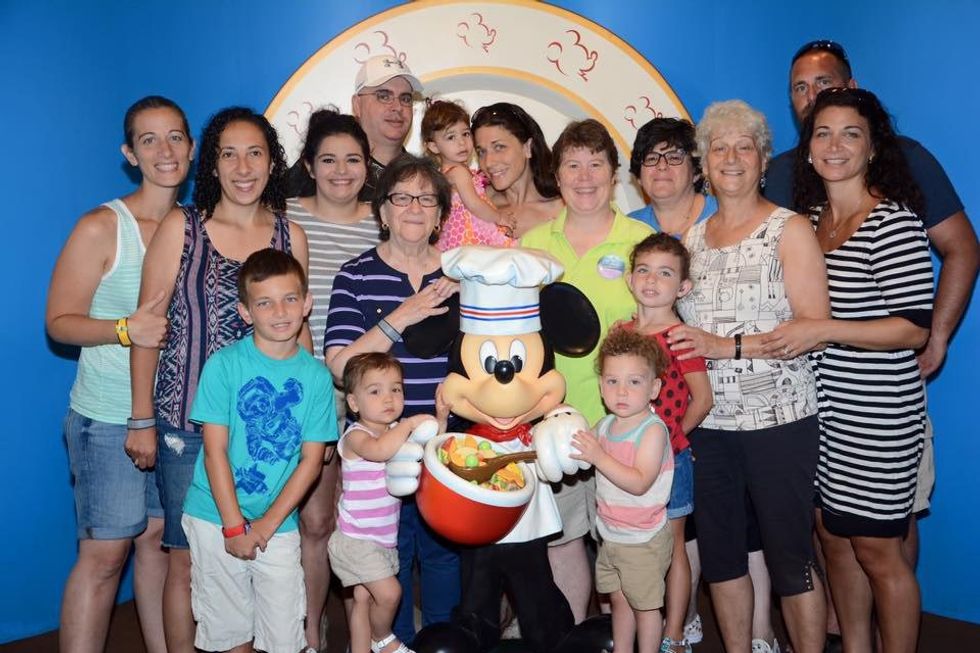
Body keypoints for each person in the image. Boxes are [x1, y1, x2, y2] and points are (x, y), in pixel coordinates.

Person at [760, 87, 934, 653]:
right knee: (834, 541)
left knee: (879, 552)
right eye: (823, 133)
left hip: (878, 414)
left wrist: (823, 329)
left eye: (850, 134)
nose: (835, 146)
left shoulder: (892, 223)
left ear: (872, 148)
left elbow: (913, 329)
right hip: (822, 410)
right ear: (808, 148)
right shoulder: (809, 223)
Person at [130, 107, 309, 653]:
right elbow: (148, 327)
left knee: (262, 557)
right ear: (211, 164)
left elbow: (301, 333)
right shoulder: (182, 227)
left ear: (272, 162)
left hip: (268, 436)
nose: (243, 167)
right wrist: (141, 419)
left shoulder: (290, 234)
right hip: (187, 425)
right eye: (228, 154)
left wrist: (312, 419)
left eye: (255, 153)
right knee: (188, 560)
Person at [667, 100, 830, 653]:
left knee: (790, 558)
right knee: (722, 558)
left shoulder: (790, 230)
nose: (731, 157)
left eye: (745, 147)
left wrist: (726, 346)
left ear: (763, 159)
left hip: (778, 423)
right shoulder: (691, 241)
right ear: (704, 163)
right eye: (719, 148)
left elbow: (814, 328)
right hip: (709, 427)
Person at [46, 95, 192, 653]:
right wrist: (127, 329)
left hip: (176, 419)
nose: (164, 150)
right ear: (130, 154)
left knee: (158, 544)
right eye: (149, 140)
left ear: (191, 148)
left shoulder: (195, 225)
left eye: (175, 136)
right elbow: (59, 322)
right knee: (105, 556)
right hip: (108, 417)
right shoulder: (102, 226)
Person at [522, 119, 653, 623]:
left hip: (626, 426)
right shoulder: (532, 244)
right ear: (556, 174)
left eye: (595, 164)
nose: (584, 177)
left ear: (614, 174)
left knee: (630, 546)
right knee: (563, 539)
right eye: (572, 165)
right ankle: (575, 633)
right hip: (552, 422)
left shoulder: (641, 241)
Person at [324, 155, 460, 644]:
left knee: (444, 554)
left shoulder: (461, 276)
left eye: (426, 198)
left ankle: (442, 642)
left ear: (440, 214)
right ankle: (393, 644)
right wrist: (403, 315)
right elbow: (340, 365)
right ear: (382, 211)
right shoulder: (355, 275)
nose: (414, 208)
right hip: (379, 451)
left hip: (445, 439)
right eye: (401, 197)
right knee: (389, 558)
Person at [181, 249, 334, 653]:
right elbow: (215, 452)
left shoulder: (317, 378)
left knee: (284, 634)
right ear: (246, 312)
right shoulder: (224, 365)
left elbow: (311, 462)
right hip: (214, 516)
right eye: (264, 303)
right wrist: (234, 526)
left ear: (307, 303)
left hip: (277, 522)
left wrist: (265, 526)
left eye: (289, 299)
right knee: (230, 631)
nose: (280, 312)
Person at [285, 108, 380, 650]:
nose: (341, 171)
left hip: (375, 395)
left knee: (364, 521)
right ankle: (310, 625)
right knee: (317, 521)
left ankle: (367, 623)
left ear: (368, 165)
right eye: (328, 160)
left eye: (353, 160)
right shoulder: (286, 219)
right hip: (311, 392)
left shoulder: (385, 218)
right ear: (308, 165)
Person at [621, 234, 713, 653]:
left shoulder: (681, 337)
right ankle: (636, 628)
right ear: (629, 279)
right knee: (630, 545)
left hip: (671, 462)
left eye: (664, 273)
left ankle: (674, 633)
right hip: (626, 462)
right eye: (643, 270)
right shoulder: (622, 332)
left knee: (673, 548)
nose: (651, 280)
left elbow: (703, 399)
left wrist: (671, 440)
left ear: (683, 287)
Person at [570, 327, 673, 653]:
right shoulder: (605, 426)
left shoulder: (652, 431)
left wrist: (598, 456)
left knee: (646, 608)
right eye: (612, 381)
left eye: (634, 382)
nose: (622, 391)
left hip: (643, 539)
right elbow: (579, 453)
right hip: (611, 534)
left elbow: (640, 482)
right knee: (619, 600)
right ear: (601, 387)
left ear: (654, 388)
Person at [330, 353, 440, 653]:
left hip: (383, 539)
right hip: (356, 540)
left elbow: (427, 449)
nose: (388, 398)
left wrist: (438, 419)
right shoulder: (356, 436)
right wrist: (409, 424)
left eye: (396, 389)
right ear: (354, 403)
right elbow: (379, 451)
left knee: (363, 600)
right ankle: (384, 639)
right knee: (390, 594)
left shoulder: (394, 432)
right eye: (375, 391)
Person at [421, 99, 516, 248]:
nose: (462, 142)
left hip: (459, 237)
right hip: (469, 235)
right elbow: (474, 204)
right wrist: (499, 217)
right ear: (433, 146)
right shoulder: (458, 173)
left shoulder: (447, 174)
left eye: (465, 134)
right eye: (451, 137)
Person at [472, 102, 563, 238]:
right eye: (482, 152)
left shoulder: (563, 210)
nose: (489, 162)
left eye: (499, 147)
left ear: (527, 148)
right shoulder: (475, 206)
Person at [352, 54, 423, 202]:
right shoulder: (335, 175)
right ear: (357, 105)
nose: (398, 107)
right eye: (384, 96)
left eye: (405, 99)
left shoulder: (425, 178)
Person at [629, 117, 716, 236]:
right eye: (652, 158)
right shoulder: (627, 229)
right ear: (639, 177)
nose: (662, 166)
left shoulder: (726, 215)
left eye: (674, 158)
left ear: (695, 171)